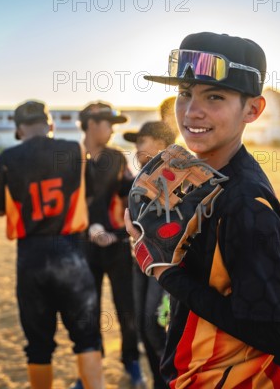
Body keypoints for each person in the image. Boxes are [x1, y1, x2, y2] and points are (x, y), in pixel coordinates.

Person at [125, 32, 280, 388]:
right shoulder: (203, 179)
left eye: (215, 96)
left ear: (252, 109)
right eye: (185, 93)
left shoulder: (245, 202)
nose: (192, 111)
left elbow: (272, 332)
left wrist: (165, 272)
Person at [0, 100, 104, 389]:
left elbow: (0, 207)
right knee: (86, 338)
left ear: (18, 130)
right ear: (50, 124)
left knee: (38, 345)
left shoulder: (8, 157)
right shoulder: (74, 149)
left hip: (31, 256)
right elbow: (88, 193)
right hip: (71, 252)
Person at [75, 101, 144, 388]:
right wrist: (89, 226)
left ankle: (132, 363)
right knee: (87, 311)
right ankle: (90, 371)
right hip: (82, 247)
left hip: (116, 244)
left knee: (126, 306)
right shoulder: (71, 157)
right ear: (92, 124)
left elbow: (132, 193)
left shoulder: (116, 158)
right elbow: (72, 200)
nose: (112, 130)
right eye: (108, 124)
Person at [123, 121, 176, 389]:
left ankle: (170, 382)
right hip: (140, 261)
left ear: (161, 143)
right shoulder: (140, 175)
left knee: (156, 328)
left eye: (141, 141)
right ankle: (158, 382)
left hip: (163, 264)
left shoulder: (177, 174)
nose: (136, 147)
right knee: (143, 327)